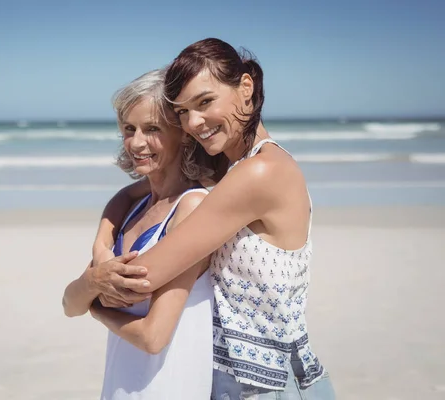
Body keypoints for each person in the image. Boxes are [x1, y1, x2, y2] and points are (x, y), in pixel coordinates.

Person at [89, 38, 336, 399]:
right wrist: (101, 244)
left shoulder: (259, 173)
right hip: (236, 382)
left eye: (205, 102)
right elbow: (132, 193)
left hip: (268, 387)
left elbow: (141, 279)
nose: (194, 122)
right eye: (184, 112)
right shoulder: (230, 168)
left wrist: (93, 302)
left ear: (246, 87)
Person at [62, 69, 226, 399]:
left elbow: (154, 337)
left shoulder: (191, 207)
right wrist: (93, 283)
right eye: (128, 129)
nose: (136, 142)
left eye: (152, 129)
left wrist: (99, 308)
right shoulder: (132, 207)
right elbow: (70, 303)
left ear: (183, 133)